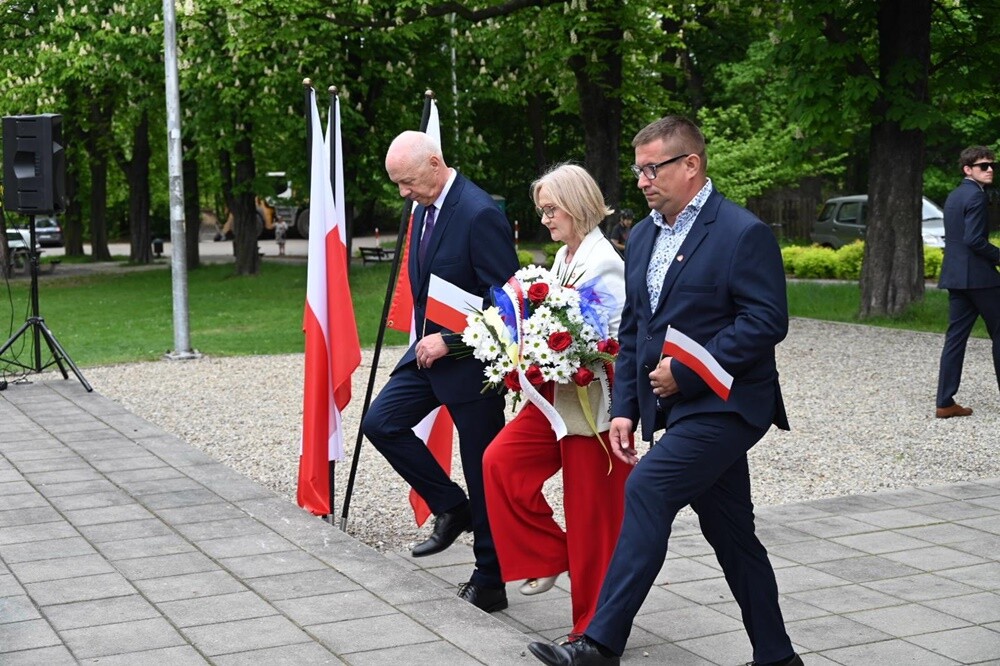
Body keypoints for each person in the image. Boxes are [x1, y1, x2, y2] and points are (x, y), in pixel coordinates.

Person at [528, 116, 801, 666]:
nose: (642, 180)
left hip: (729, 405)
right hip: (677, 408)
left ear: (691, 164)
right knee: (732, 535)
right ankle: (778, 657)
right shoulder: (645, 234)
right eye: (638, 170)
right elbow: (635, 329)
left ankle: (600, 643)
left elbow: (766, 321)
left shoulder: (741, 232)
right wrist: (626, 408)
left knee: (648, 488)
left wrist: (690, 370)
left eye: (652, 168)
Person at [362, 131, 519, 613]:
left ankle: (490, 580)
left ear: (434, 163)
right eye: (397, 184)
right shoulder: (423, 208)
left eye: (407, 181)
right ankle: (452, 508)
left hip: (471, 364)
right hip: (427, 355)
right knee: (380, 423)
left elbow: (509, 303)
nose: (403, 193)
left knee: (481, 470)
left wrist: (451, 342)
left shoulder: (479, 213)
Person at [482, 164, 632, 638]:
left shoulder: (603, 261)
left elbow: (611, 343)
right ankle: (548, 554)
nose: (545, 218)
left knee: (592, 521)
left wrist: (548, 347)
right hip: (555, 397)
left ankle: (593, 631)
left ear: (577, 205)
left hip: (594, 408)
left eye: (551, 209)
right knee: (500, 462)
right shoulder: (565, 256)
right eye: (542, 210)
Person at [935, 146, 1000, 419]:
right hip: (980, 278)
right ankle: (945, 403)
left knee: (955, 339)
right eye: (983, 166)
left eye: (992, 165)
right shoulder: (976, 196)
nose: (990, 169)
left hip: (956, 277)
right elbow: (974, 240)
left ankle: (944, 402)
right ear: (967, 169)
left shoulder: (955, 195)